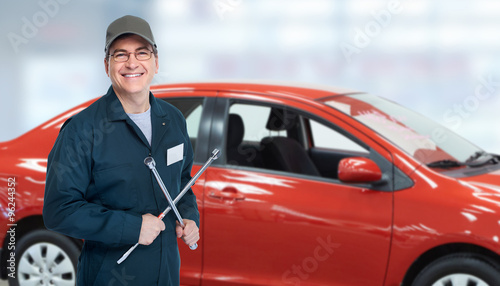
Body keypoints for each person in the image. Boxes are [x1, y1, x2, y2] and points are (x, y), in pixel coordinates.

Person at [43, 15, 200, 285]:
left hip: (166, 272)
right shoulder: (82, 130)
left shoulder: (173, 120)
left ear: (156, 62)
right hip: (111, 277)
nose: (132, 63)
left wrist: (189, 216)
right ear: (106, 66)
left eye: (142, 53)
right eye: (120, 55)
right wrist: (132, 227)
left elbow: (183, 181)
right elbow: (60, 211)